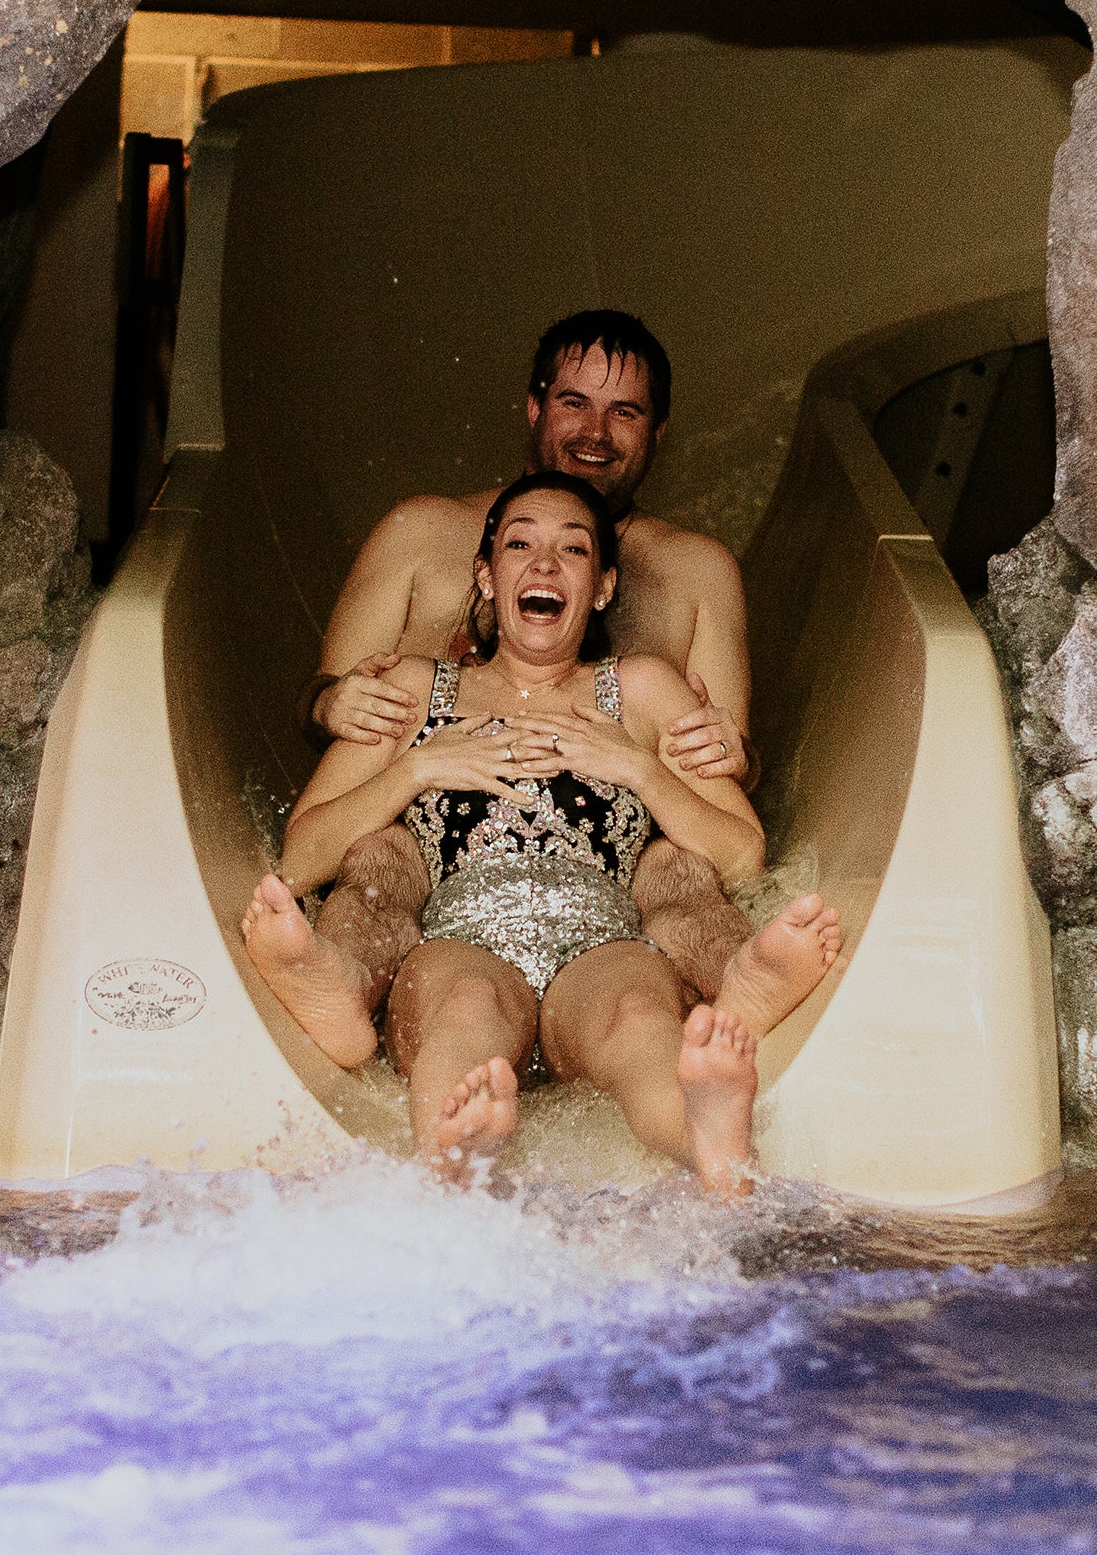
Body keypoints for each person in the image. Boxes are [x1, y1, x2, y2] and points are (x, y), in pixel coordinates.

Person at [266, 311, 839, 1073]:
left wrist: (732, 753)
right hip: (431, 841)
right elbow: (332, 728)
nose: (595, 432)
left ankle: (733, 978)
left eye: (624, 411)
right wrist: (329, 704)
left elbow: (727, 786)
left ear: (657, 433)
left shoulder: (696, 572)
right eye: (574, 402)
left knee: (678, 865)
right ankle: (345, 978)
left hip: (618, 865)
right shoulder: (420, 533)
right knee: (379, 854)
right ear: (534, 408)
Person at [243, 474, 778, 1191]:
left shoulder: (643, 689)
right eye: (519, 543)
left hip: (604, 940)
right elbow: (303, 857)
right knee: (464, 1009)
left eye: (574, 550)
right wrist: (416, 770)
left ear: (605, 586)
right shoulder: (411, 688)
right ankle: (458, 1151)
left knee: (640, 1015)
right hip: (462, 936)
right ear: (486, 575)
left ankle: (704, 1141)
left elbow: (742, 853)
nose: (545, 565)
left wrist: (641, 769)